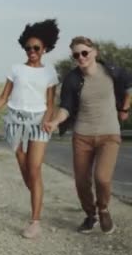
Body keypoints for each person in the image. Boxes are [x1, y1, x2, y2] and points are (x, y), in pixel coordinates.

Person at [0, 19, 59, 239]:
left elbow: (50, 103)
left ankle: (35, 221)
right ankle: (37, 200)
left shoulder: (50, 73)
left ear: (45, 49)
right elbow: (3, 97)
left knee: (35, 168)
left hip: (38, 122)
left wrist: (47, 121)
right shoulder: (16, 69)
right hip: (14, 122)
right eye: (28, 48)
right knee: (27, 173)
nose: (32, 51)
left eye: (36, 48)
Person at [45, 36, 132, 234]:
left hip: (109, 134)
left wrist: (125, 107)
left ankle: (103, 209)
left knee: (102, 178)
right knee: (81, 181)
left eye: (85, 52)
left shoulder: (111, 71)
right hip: (82, 135)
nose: (81, 57)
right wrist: (55, 121)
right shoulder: (72, 79)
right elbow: (66, 107)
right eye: (76, 55)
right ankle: (90, 214)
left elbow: (129, 85)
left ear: (95, 52)